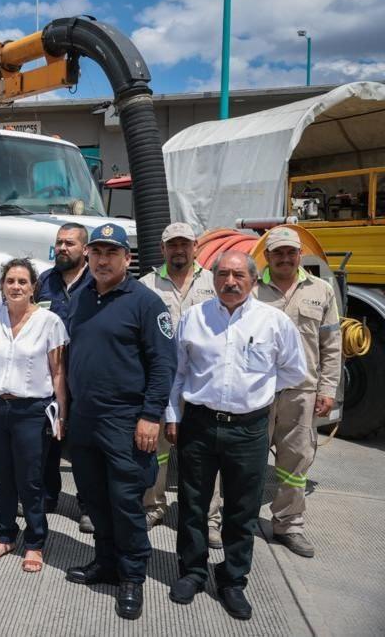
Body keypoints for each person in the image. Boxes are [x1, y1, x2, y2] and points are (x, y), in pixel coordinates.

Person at [165, 250, 307, 620]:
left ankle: (232, 579)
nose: (230, 282)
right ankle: (193, 572)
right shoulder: (194, 319)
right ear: (212, 279)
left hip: (248, 429)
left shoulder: (273, 322)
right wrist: (173, 414)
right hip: (199, 423)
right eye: (222, 274)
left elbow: (293, 371)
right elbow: (178, 372)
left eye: (238, 275)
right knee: (193, 504)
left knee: (242, 509)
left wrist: (255, 396)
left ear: (253, 280)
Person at [64, 222, 176, 621]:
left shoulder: (146, 303)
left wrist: (150, 415)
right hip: (85, 418)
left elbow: (164, 364)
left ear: (128, 259)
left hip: (126, 421)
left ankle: (131, 578)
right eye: (96, 252)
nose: (102, 259)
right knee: (95, 499)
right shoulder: (81, 297)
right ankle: (106, 563)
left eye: (111, 252)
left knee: (127, 502)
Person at [0, 258, 68, 573]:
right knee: (2, 476)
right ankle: (6, 534)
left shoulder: (49, 322)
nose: (16, 287)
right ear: (2, 286)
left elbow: (58, 373)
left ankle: (35, 542)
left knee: (30, 480)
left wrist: (61, 415)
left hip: (32, 411)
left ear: (33, 287)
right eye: (10, 281)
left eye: (22, 281)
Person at [254, 226, 342, 558]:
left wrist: (328, 388)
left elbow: (331, 345)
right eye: (278, 252)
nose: (286, 258)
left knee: (296, 462)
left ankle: (288, 525)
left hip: (302, 392)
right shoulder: (251, 290)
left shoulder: (320, 290)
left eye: (291, 252)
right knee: (244, 460)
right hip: (258, 391)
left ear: (300, 254)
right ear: (268, 256)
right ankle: (237, 519)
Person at [138, 222, 218, 536]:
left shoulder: (215, 283)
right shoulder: (146, 285)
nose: (179, 250)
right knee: (154, 448)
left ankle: (207, 517)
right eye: (172, 245)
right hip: (159, 380)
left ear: (195, 247)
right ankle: (152, 506)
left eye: (185, 244)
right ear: (162, 249)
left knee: (204, 454)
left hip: (202, 382)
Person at [33, 222, 93, 531]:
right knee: (49, 438)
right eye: (58, 243)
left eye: (69, 243)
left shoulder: (97, 282)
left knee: (82, 443)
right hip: (49, 374)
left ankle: (87, 505)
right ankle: (47, 494)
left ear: (85, 249)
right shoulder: (45, 281)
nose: (62, 248)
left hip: (84, 376)